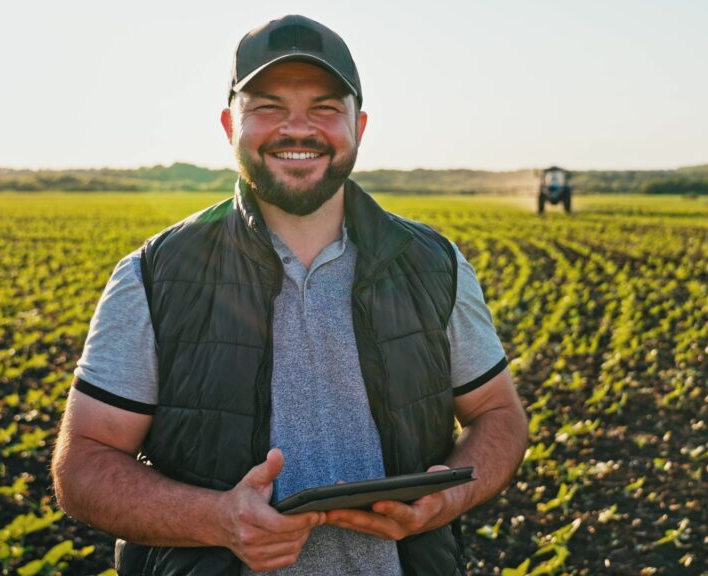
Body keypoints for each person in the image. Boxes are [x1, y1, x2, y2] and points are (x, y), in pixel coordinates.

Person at [51, 14, 528, 576]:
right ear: (231, 124)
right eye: (268, 107)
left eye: (325, 108)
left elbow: (499, 415)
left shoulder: (433, 264)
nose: (297, 129)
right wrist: (217, 519)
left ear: (360, 126)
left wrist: (447, 500)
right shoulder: (154, 276)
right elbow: (82, 466)